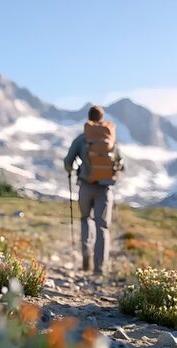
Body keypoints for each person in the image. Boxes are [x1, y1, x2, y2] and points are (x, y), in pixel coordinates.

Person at [63, 105, 124, 276]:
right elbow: (120, 162)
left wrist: (72, 170)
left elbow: (68, 162)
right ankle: (99, 268)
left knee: (85, 219)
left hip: (85, 185)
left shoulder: (82, 138)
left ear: (89, 118)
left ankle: (86, 253)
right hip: (105, 188)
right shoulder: (110, 138)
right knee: (102, 226)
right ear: (102, 118)